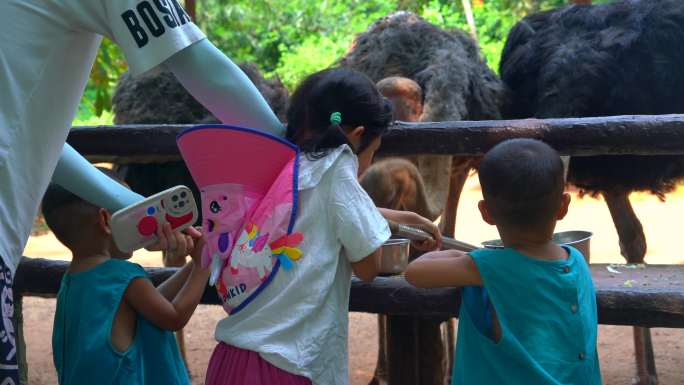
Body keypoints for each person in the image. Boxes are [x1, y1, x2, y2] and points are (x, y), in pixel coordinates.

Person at [0, 1, 284, 381]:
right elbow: (199, 64)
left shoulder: (79, 281)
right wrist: (296, 164)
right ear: (102, 221)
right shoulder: (122, 277)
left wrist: (134, 207)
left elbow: (35, 136)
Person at [204, 67, 441, 385]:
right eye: (373, 151)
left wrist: (404, 219)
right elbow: (368, 266)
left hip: (233, 360)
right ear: (357, 136)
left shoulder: (283, 165)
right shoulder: (339, 166)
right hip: (286, 367)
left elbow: (322, 209)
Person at [405, 139, 602, 385]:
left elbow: (415, 272)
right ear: (562, 206)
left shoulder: (487, 267)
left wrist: (461, 256)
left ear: (485, 212)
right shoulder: (578, 262)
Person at [41, 169, 209, 385]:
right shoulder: (123, 276)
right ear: (106, 220)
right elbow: (173, 317)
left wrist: (194, 263)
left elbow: (149, 305)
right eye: (131, 211)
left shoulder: (72, 280)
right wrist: (203, 266)